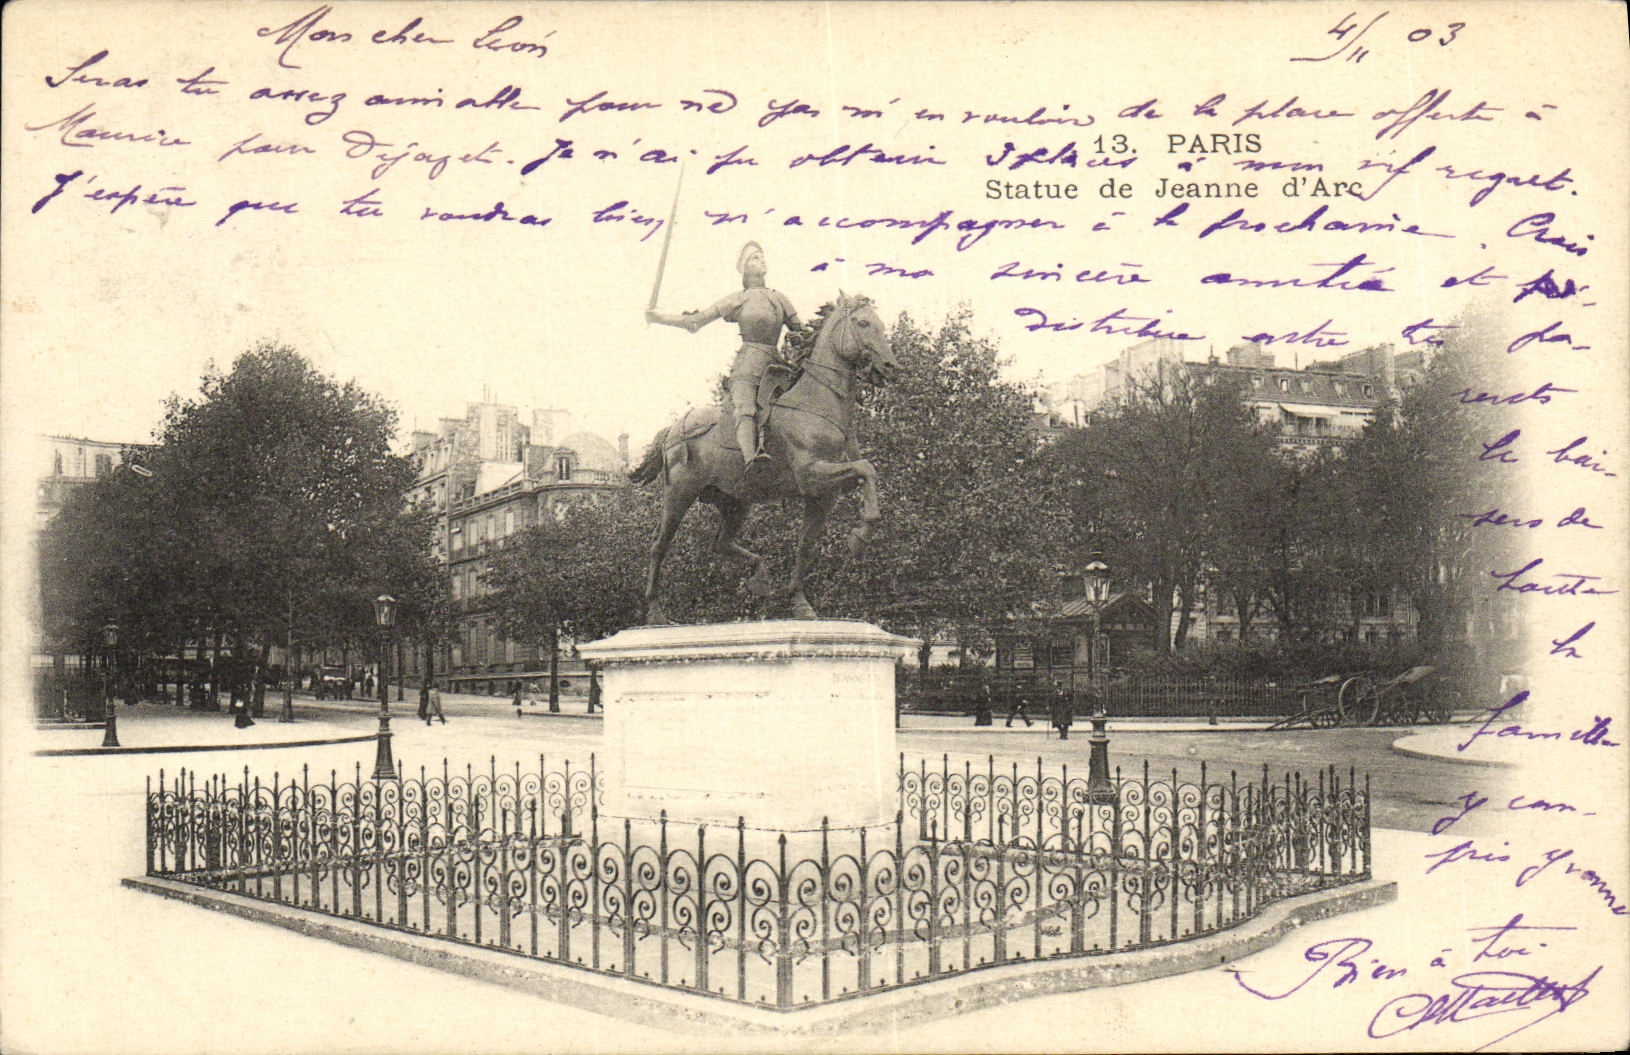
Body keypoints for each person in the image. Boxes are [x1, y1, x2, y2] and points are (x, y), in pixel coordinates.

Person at [645, 241, 804, 474]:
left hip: (777, 366)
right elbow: (695, 321)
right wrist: (660, 317)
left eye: (762, 256)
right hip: (748, 366)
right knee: (745, 408)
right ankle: (751, 461)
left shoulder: (779, 298)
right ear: (744, 268)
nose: (762, 260)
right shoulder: (736, 299)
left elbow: (799, 331)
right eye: (755, 258)